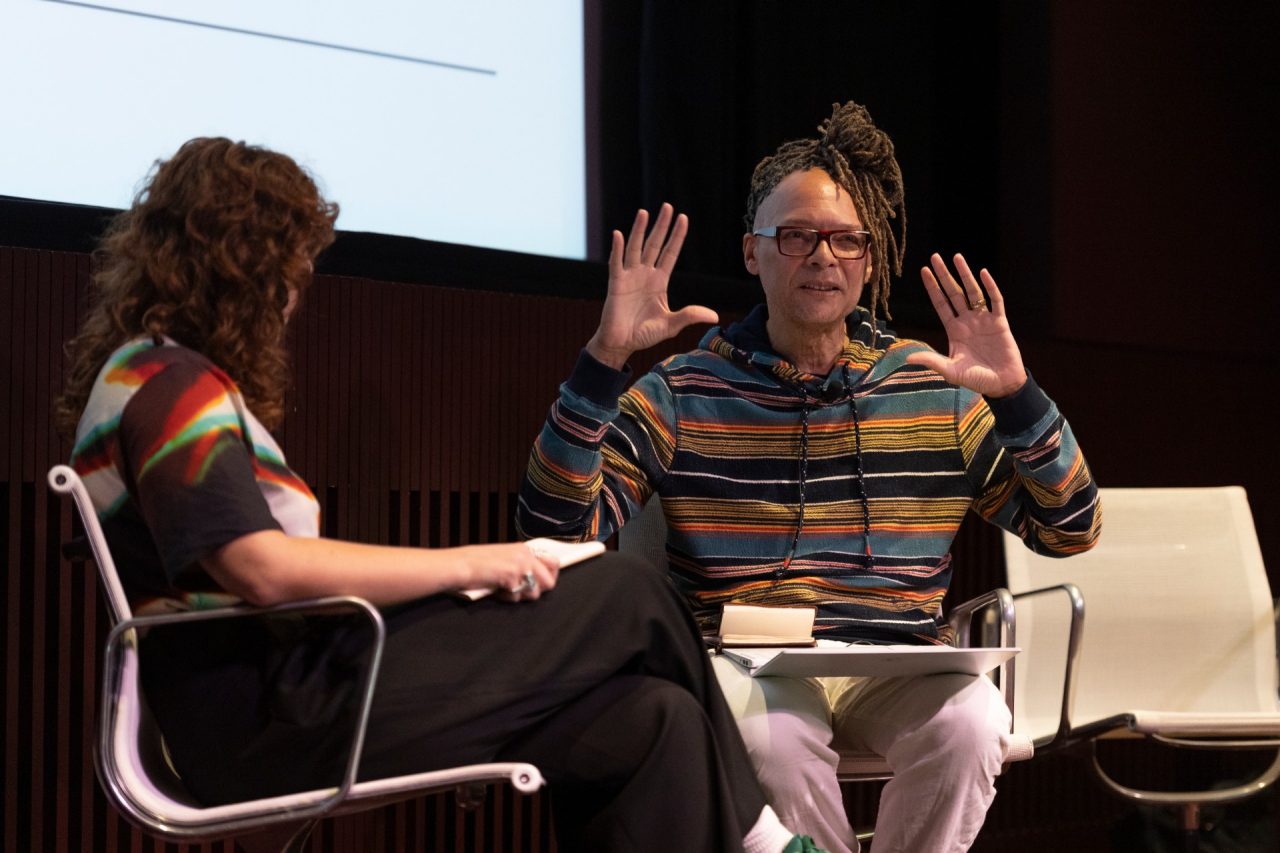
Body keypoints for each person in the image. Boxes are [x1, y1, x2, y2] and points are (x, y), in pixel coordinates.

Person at [56, 136, 828, 853]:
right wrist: (478, 565)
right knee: (625, 587)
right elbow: (263, 569)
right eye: (288, 271)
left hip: (291, 690)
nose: (295, 296)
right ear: (239, 267)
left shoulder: (161, 379)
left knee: (653, 722)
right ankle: (763, 836)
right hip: (268, 715)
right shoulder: (165, 387)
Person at [516, 101, 1102, 853]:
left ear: (871, 253)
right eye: (795, 236)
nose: (823, 256)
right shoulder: (684, 389)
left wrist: (1018, 394)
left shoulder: (935, 387)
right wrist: (602, 361)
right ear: (753, 253)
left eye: (846, 239)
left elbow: (1071, 529)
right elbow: (554, 528)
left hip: (897, 662)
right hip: (750, 661)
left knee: (975, 723)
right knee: (775, 746)